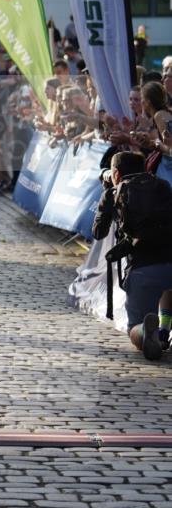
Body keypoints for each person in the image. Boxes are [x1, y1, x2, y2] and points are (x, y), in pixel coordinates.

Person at [92, 150, 172, 360]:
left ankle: (146, 332)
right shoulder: (162, 186)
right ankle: (164, 330)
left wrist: (108, 195)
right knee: (167, 287)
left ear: (116, 174)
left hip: (143, 268)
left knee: (133, 329)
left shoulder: (114, 192)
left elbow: (98, 232)